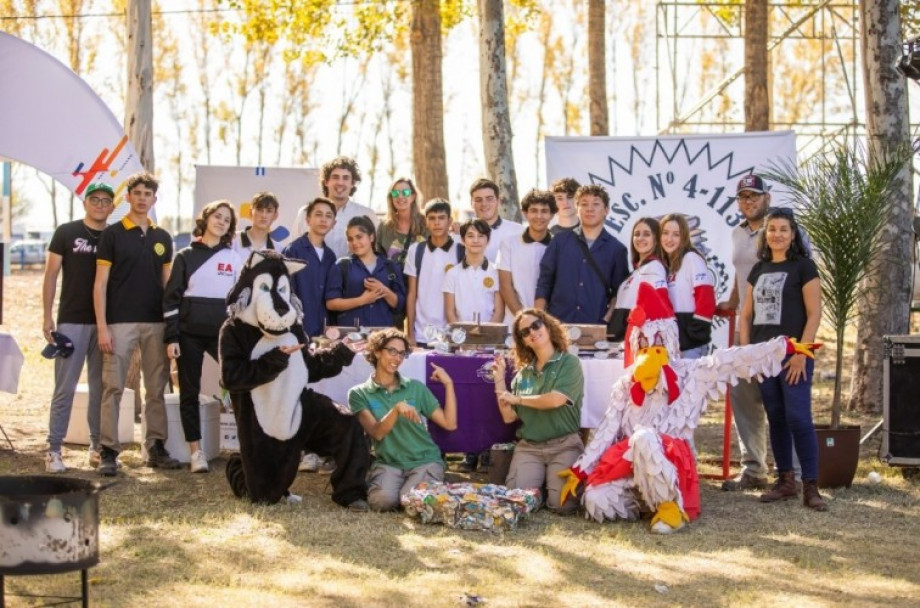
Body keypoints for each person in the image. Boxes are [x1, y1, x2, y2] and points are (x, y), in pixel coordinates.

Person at [740, 207, 826, 511]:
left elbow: (814, 314)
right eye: (772, 229)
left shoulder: (804, 267)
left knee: (799, 418)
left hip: (793, 355)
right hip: (764, 357)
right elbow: (746, 315)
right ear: (766, 235)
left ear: (793, 235)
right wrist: (747, 355)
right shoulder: (758, 269)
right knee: (776, 417)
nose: (777, 234)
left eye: (783, 229)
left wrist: (802, 354)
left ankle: (811, 487)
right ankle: (786, 481)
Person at [94, 172, 180, 476]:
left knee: (155, 388)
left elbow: (168, 284)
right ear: (128, 197)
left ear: (154, 200)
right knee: (113, 387)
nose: (143, 198)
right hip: (119, 323)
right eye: (138, 193)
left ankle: (155, 446)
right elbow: (100, 284)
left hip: (155, 323)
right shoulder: (113, 234)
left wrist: (172, 326)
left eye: (148, 194)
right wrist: (102, 326)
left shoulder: (162, 237)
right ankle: (108, 450)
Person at [718, 174, 789, 491]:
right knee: (744, 397)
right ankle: (754, 469)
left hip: (776, 327)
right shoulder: (738, 233)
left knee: (782, 399)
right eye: (744, 197)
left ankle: (791, 471)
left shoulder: (779, 231)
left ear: (767, 198)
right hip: (745, 324)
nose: (749, 202)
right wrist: (733, 299)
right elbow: (741, 272)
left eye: (755, 196)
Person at [163, 200, 241, 473]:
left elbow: (240, 302)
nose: (222, 222)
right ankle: (196, 452)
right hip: (188, 335)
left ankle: (247, 444)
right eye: (217, 217)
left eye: (227, 220)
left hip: (222, 335)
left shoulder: (234, 258)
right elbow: (171, 300)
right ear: (206, 219)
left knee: (241, 384)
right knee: (190, 392)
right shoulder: (185, 256)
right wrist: (172, 338)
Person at [41, 182, 115, 472]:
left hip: (104, 324)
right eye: (94, 199)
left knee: (100, 388)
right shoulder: (67, 232)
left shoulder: (115, 236)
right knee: (64, 388)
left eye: (105, 200)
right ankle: (53, 450)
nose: (99, 204)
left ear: (111, 206)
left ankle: (96, 448)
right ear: (85, 203)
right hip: (71, 321)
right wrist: (47, 316)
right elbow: (50, 276)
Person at [348, 328, 457, 511]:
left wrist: (449, 384)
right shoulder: (358, 393)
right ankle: (419, 486)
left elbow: (449, 423)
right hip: (389, 462)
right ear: (376, 352)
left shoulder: (415, 387)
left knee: (410, 501)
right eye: (392, 351)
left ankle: (430, 480)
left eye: (402, 353)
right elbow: (377, 433)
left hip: (424, 460)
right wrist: (396, 409)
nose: (397, 358)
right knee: (381, 503)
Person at [493, 309, 584, 514]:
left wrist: (517, 398)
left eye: (536, 325)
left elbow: (555, 400)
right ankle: (538, 489)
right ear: (523, 341)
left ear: (547, 326)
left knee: (563, 506)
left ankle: (544, 489)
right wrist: (499, 380)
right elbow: (509, 417)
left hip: (564, 445)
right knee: (518, 503)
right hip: (530, 448)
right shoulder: (521, 375)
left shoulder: (569, 363)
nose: (532, 332)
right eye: (525, 332)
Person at [535, 184, 629, 324]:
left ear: (606, 210)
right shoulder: (559, 242)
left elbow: (619, 293)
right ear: (577, 209)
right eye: (584, 204)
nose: (589, 209)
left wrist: (606, 319)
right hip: (557, 326)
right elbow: (544, 282)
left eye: (596, 204)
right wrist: (538, 319)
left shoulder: (617, 249)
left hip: (596, 327)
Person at [404, 199, 465, 348]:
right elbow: (412, 294)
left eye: (441, 218)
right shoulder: (416, 250)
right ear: (426, 221)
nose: (437, 223)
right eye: (432, 218)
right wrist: (410, 333)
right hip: (421, 334)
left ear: (450, 221)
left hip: (451, 335)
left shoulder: (460, 250)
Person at [325, 215, 406, 328]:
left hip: (383, 335)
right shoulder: (341, 266)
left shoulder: (390, 266)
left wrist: (384, 290)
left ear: (371, 237)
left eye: (359, 237)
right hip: (351, 336)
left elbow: (400, 304)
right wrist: (362, 300)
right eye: (350, 239)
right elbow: (331, 303)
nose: (354, 242)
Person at [659, 213, 716, 359]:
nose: (669, 239)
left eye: (676, 234)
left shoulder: (691, 258)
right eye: (665, 233)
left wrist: (693, 335)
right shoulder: (665, 265)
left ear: (684, 237)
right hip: (671, 344)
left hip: (690, 346)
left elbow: (706, 299)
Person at [607, 218, 669, 348]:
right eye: (637, 234)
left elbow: (656, 311)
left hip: (635, 346)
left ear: (656, 240)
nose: (640, 238)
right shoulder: (636, 271)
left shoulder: (654, 267)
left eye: (646, 234)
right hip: (620, 343)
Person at [282, 197, 338, 339]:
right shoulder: (293, 251)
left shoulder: (331, 257)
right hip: (297, 330)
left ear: (334, 224)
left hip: (324, 332)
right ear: (308, 220)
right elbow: (284, 294)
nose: (323, 220)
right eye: (318, 214)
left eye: (328, 216)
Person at [497, 189, 556, 317]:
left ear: (551, 215)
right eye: (534, 211)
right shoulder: (509, 243)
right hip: (514, 322)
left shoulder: (559, 246)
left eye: (544, 211)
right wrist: (523, 318)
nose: (539, 216)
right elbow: (505, 285)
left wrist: (542, 320)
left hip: (549, 323)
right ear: (525, 213)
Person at [443, 219, 504, 325]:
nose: (476, 240)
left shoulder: (496, 272)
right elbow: (450, 312)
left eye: (481, 236)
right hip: (461, 337)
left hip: (489, 337)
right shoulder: (452, 273)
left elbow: (499, 311)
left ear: (488, 240)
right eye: (470, 236)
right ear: (463, 240)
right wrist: (461, 335)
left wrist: (486, 335)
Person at [320, 156, 377, 258]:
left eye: (346, 178)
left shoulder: (367, 215)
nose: (340, 183)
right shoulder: (306, 214)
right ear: (326, 182)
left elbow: (376, 252)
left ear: (353, 183)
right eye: (335, 177)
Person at [469, 178, 523, 263]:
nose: (484, 204)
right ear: (472, 203)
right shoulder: (462, 234)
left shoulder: (518, 231)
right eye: (479, 200)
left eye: (489, 199)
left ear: (498, 201)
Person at [233, 192, 280, 261]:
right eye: (260, 210)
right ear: (250, 212)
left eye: (269, 211)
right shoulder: (233, 240)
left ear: (275, 215)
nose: (264, 215)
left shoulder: (278, 249)